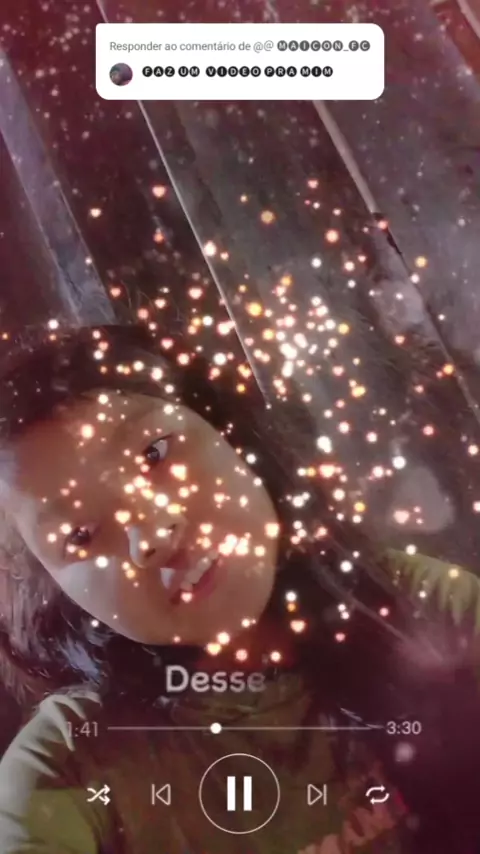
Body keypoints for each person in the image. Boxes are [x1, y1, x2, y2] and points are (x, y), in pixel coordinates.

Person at [0, 322, 470, 854]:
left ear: (230, 434)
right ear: (59, 593)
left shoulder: (414, 605)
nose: (154, 534)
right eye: (81, 534)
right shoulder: (72, 764)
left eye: (155, 453)